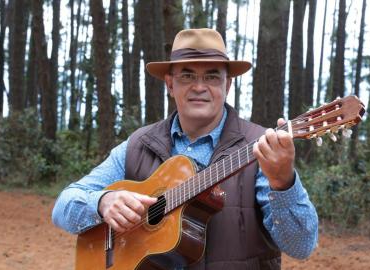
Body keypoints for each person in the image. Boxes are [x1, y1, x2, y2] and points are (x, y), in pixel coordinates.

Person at [52, 28, 318, 270]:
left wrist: (283, 181)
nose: (199, 87)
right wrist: (102, 202)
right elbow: (63, 207)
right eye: (187, 75)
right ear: (170, 84)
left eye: (212, 77)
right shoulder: (138, 145)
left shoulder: (261, 147)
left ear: (227, 85)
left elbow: (301, 246)